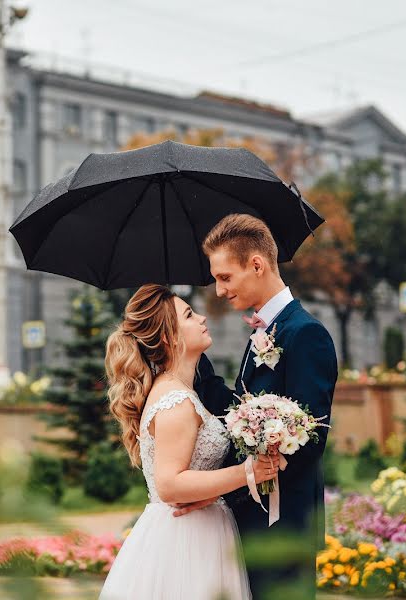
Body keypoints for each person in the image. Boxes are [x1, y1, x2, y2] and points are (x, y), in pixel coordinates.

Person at [183, 214, 338, 600]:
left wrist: (235, 481)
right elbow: (241, 415)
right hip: (254, 522)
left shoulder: (305, 334)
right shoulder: (262, 333)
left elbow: (309, 438)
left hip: (284, 529)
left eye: (225, 277)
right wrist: (187, 356)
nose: (219, 291)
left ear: (257, 264)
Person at [99, 283, 279, 600]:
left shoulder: (182, 391)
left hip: (201, 530)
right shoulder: (176, 401)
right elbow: (170, 485)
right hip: (184, 542)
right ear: (169, 337)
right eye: (188, 314)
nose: (202, 318)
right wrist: (248, 472)